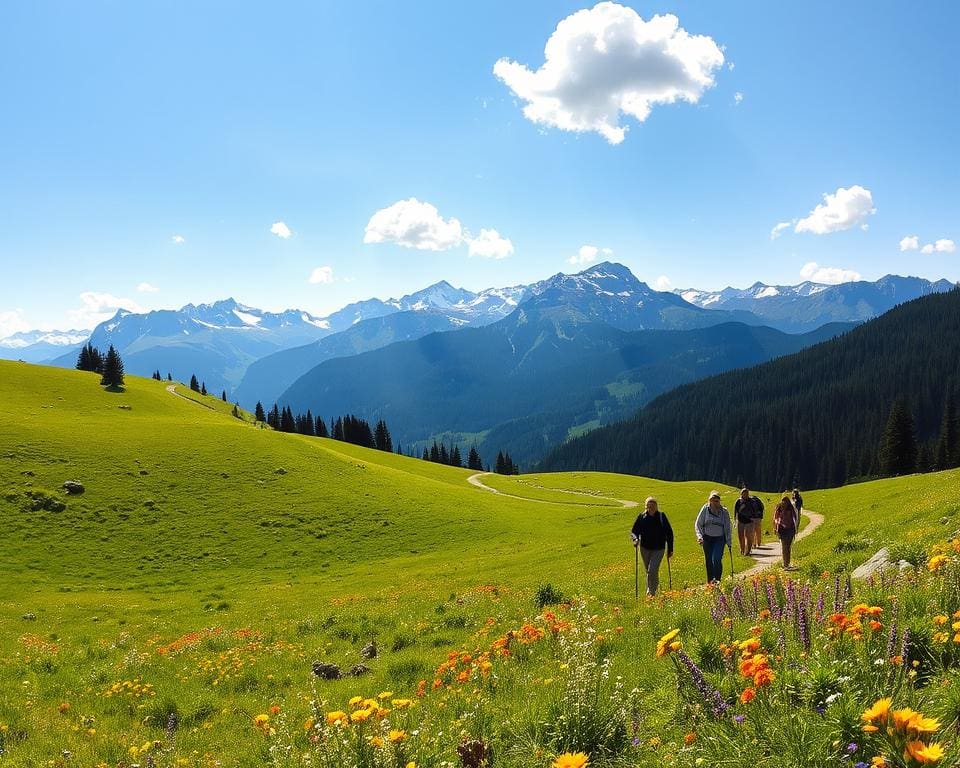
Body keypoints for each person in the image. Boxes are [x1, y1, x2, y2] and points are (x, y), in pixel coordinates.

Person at [630, 496, 674, 596]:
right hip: (645, 548)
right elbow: (634, 531)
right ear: (646, 507)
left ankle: (651, 592)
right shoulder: (642, 517)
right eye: (649, 506)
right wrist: (635, 539)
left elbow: (669, 533)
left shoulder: (661, 517)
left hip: (659, 548)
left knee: (652, 569)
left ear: (656, 507)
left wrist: (670, 549)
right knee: (649, 571)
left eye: (653, 506)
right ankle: (654, 588)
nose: (651, 509)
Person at [695, 490, 732, 583]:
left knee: (716, 558)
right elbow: (698, 524)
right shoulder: (705, 509)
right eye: (713, 500)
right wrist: (700, 537)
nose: (715, 503)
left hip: (720, 539)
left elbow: (728, 527)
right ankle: (710, 582)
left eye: (717, 501)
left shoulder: (724, 512)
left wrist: (728, 541)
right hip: (707, 538)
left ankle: (717, 580)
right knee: (708, 560)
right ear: (710, 501)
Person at [734, 487, 764, 556]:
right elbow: (736, 511)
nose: (745, 495)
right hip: (741, 520)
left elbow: (755, 511)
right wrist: (735, 520)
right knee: (741, 536)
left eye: (746, 493)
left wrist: (753, 518)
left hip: (750, 521)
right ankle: (742, 550)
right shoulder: (738, 501)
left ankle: (748, 551)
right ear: (741, 494)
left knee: (748, 536)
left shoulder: (752, 502)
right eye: (744, 493)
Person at [774, 492, 799, 570]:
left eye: (786, 501)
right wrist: (775, 529)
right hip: (783, 529)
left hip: (789, 529)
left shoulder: (791, 509)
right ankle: (786, 564)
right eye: (783, 501)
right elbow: (775, 519)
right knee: (785, 546)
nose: (784, 503)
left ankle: (786, 563)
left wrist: (795, 529)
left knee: (787, 547)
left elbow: (795, 518)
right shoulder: (779, 509)